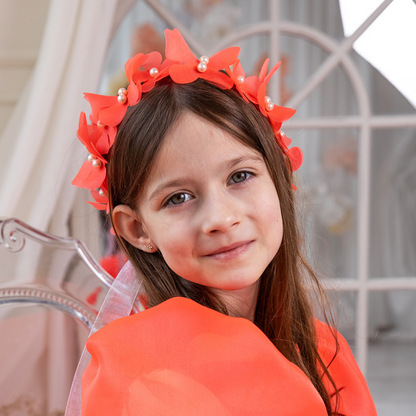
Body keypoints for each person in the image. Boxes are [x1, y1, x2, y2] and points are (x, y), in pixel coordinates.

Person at [69, 28, 377, 416]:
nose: (221, 218)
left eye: (240, 176)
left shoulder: (326, 351)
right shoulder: (133, 365)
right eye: (178, 198)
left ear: (279, 176)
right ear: (138, 229)